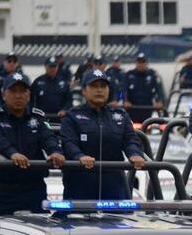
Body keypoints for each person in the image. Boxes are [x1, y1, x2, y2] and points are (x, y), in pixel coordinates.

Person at [0, 73, 65, 215]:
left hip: (35, 190)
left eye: (22, 91)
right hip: (4, 192)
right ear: (3, 94)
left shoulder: (38, 117)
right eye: (13, 91)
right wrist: (12, 154)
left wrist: (55, 152)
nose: (18, 96)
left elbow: (48, 137)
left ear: (29, 95)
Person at [60, 69, 146, 200]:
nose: (99, 90)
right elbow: (68, 143)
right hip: (81, 181)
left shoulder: (120, 115)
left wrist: (134, 154)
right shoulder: (71, 116)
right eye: (94, 86)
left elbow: (130, 140)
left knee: (123, 213)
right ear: (84, 90)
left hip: (114, 182)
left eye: (103, 86)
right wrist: (80, 156)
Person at [123, 53, 165, 124]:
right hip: (132, 109)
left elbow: (159, 90)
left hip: (147, 109)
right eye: (139, 62)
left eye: (143, 62)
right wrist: (125, 101)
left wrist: (160, 101)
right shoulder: (129, 75)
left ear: (146, 63)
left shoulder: (153, 75)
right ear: (136, 63)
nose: (141, 64)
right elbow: (122, 90)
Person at [30, 57, 71, 122]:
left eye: (54, 66)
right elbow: (30, 99)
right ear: (45, 66)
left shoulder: (64, 82)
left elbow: (69, 100)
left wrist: (64, 110)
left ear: (57, 67)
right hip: (41, 118)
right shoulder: (38, 82)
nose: (53, 69)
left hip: (59, 118)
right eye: (50, 66)